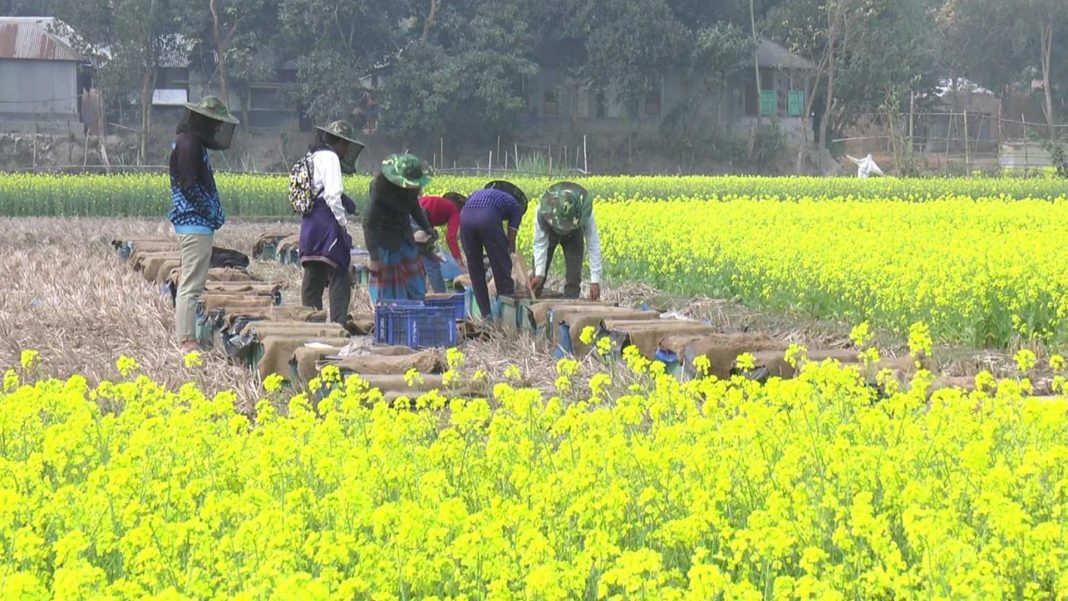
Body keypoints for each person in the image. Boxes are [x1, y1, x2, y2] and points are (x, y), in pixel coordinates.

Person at [169, 95, 239, 353]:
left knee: (193, 281)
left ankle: (188, 337)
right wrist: (212, 212)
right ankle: (187, 340)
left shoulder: (190, 142)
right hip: (194, 223)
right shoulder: (187, 144)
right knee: (191, 284)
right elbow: (190, 186)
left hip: (197, 224)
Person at [299, 120, 364, 325]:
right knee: (340, 272)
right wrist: (342, 224)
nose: (346, 150)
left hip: (310, 222)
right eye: (346, 145)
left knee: (314, 272)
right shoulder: (331, 158)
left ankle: (312, 324)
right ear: (342, 143)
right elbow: (333, 195)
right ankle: (338, 326)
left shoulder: (312, 157)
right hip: (327, 221)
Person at [364, 154, 435, 301]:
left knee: (416, 285)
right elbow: (368, 223)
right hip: (384, 241)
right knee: (388, 292)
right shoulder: (380, 191)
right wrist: (374, 257)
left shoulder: (411, 191)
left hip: (404, 237)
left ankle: (415, 312)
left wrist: (427, 228)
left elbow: (414, 207)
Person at [459, 181, 528, 319]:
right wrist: (510, 253)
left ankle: (486, 315)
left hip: (465, 217)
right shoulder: (516, 207)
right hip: (487, 217)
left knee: (475, 269)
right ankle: (504, 311)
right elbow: (511, 238)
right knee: (501, 265)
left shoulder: (485, 194)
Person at [530, 182, 602, 301]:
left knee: (574, 279)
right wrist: (539, 273)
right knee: (537, 280)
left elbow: (593, 244)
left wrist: (595, 280)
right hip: (549, 234)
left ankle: (570, 308)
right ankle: (533, 306)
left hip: (574, 236)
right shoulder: (542, 212)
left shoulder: (585, 214)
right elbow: (540, 244)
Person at [418, 192, 467, 293]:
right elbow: (450, 238)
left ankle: (421, 294)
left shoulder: (441, 205)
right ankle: (442, 297)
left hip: (411, 214)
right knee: (432, 264)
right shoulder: (454, 210)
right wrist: (461, 264)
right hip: (419, 216)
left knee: (420, 262)